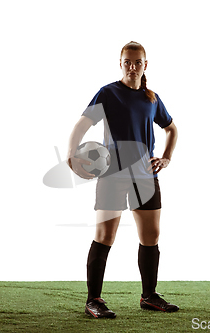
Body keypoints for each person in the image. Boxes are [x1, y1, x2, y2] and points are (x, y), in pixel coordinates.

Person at [67, 41, 179, 319]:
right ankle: (93, 300)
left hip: (145, 176)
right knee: (105, 236)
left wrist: (165, 157)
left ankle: (149, 296)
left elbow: (171, 128)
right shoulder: (108, 93)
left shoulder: (151, 98)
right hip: (112, 175)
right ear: (121, 63)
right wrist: (71, 154)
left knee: (151, 237)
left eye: (137, 62)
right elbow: (81, 125)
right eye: (127, 62)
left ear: (145, 64)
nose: (132, 66)